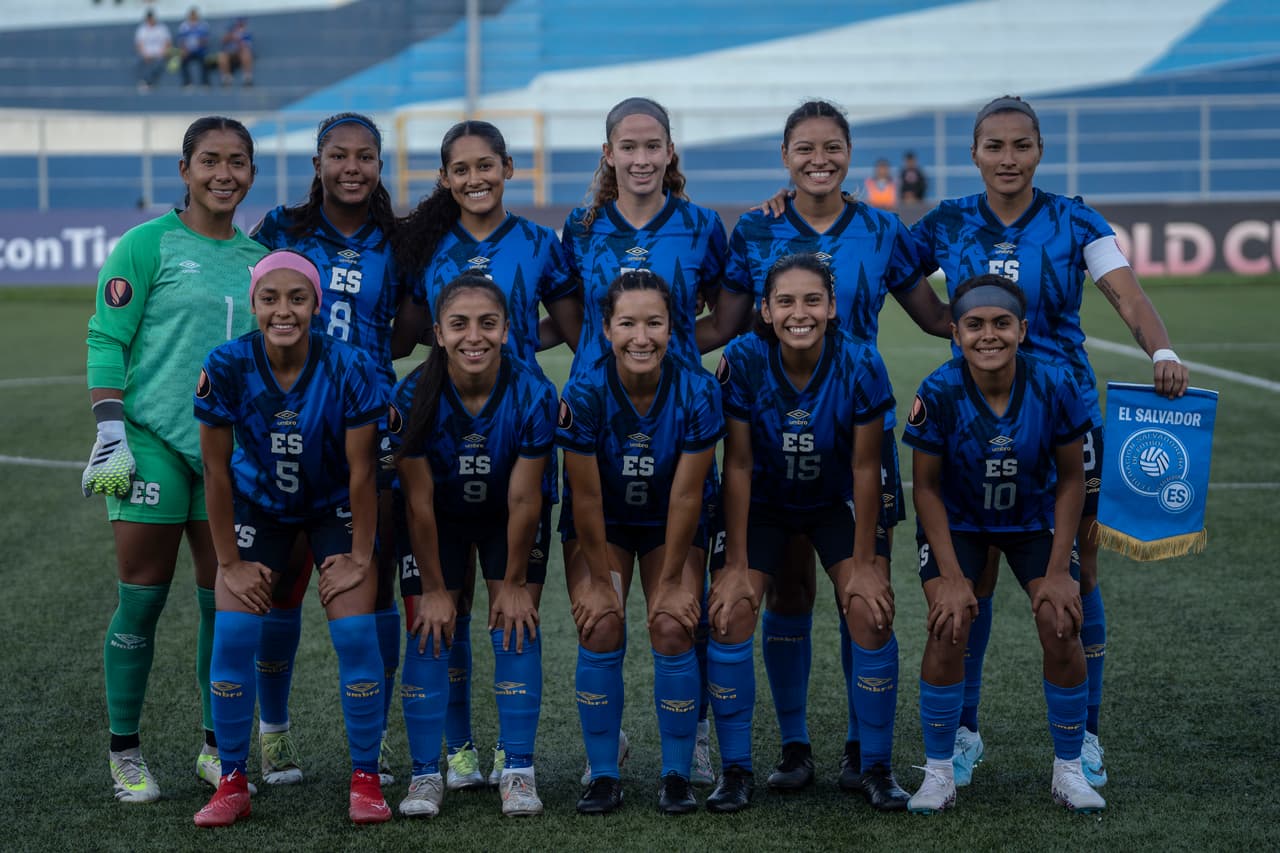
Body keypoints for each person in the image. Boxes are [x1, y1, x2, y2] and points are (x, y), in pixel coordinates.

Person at [909, 95, 1190, 790]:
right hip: (971, 418)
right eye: (994, 146)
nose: (1008, 158)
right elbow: (889, 266)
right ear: (974, 154)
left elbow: (1126, 294)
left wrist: (1161, 350)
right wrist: (944, 321)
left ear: (1039, 151)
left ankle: (1084, 736)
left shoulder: (1075, 219)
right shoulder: (947, 221)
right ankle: (963, 732)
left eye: (1021, 145)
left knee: (1078, 573)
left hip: (1063, 419)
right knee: (970, 577)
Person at [734, 99, 949, 799]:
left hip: (857, 430)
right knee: (789, 589)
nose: (818, 160)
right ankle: (795, 747)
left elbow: (935, 316)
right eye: (804, 148)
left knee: (866, 594)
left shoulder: (882, 229)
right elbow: (726, 322)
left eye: (831, 147)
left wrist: (1009, 325)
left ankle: (866, 753)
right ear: (785, 156)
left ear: (849, 154)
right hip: (775, 433)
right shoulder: (757, 228)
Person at [82, 115, 266, 804]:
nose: (224, 173)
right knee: (142, 598)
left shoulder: (260, 260)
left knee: (227, 603)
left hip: (228, 457)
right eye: (210, 160)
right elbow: (107, 337)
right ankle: (125, 752)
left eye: (237, 161)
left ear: (251, 173)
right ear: (184, 170)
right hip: (154, 443)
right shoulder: (146, 244)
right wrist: (111, 431)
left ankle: (218, 749)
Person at [394, 120, 581, 792]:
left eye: (486, 165)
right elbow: (405, 335)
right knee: (445, 611)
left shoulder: (538, 242)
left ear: (507, 168)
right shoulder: (425, 244)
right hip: (446, 424)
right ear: (445, 178)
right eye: (462, 169)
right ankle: (459, 753)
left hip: (517, 430)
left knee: (513, 606)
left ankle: (513, 756)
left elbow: (575, 327)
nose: (476, 178)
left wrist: (521, 344)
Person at [560, 96, 737, 786]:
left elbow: (727, 312)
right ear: (608, 154)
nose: (640, 158)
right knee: (599, 611)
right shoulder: (580, 227)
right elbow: (572, 318)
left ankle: (694, 734)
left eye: (651, 145)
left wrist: (681, 352)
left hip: (677, 420)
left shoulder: (700, 225)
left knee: (680, 609)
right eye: (627, 147)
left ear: (670, 152)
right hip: (599, 424)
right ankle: (606, 747)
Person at [192, 249, 390, 826]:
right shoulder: (226, 364)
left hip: (333, 505)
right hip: (260, 505)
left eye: (297, 298)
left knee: (355, 633)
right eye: (270, 299)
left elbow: (363, 472)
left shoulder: (349, 364)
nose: (284, 311)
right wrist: (229, 563)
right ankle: (232, 781)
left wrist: (359, 556)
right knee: (233, 633)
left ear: (315, 305)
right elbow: (216, 472)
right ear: (253, 304)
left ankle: (366, 779)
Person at [250, 112, 411, 789]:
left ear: (379, 165)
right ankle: (274, 734)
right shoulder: (281, 229)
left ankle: (372, 744)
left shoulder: (400, 239)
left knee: (373, 579)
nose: (352, 167)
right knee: (283, 578)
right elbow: (252, 307)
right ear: (317, 163)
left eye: (365, 156)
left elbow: (410, 328)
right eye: (339, 155)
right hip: (287, 423)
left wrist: (360, 370)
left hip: (370, 423)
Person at [902, 273, 1103, 814]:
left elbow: (1072, 479)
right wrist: (950, 577)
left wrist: (1059, 571)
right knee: (949, 623)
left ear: (1023, 329)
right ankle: (939, 772)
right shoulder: (939, 390)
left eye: (1001, 323)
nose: (988, 335)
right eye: (974, 325)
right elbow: (926, 488)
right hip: (961, 523)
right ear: (955, 332)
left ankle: (1069, 770)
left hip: (1033, 520)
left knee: (1061, 620)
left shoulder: (1055, 383)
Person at [709, 253, 902, 814]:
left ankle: (874, 764)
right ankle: (746, 765)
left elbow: (866, 467)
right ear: (766, 310)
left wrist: (863, 563)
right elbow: (737, 464)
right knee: (732, 611)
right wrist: (736, 564)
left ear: (832, 307)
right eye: (786, 302)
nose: (800, 313)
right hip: (765, 500)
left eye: (813, 300)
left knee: (868, 610)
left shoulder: (861, 361)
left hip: (837, 499)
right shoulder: (743, 358)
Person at [386, 273, 557, 818]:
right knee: (432, 626)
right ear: (438, 333)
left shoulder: (533, 392)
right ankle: (431, 771)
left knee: (516, 622)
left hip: (509, 515)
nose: (474, 336)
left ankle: (519, 769)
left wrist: (513, 582)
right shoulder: (412, 394)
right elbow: (417, 502)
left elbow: (526, 499)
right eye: (459, 324)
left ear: (506, 329)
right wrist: (436, 589)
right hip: (440, 518)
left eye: (487, 323)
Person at [558, 270, 722, 815]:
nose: (641, 337)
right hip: (602, 523)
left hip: (666, 521)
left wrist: (672, 581)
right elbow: (585, 500)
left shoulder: (698, 390)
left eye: (654, 323)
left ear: (673, 328)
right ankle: (604, 770)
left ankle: (677, 771)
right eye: (627, 324)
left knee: (673, 623)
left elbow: (687, 496)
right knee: (601, 622)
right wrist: (599, 581)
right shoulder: (583, 392)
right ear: (606, 329)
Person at [133, 9, 170, 92]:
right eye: (149, 18)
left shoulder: (162, 28)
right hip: (146, 55)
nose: (150, 20)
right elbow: (138, 44)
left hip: (159, 54)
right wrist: (144, 54)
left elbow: (167, 42)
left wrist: (162, 52)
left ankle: (148, 82)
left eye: (151, 18)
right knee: (138, 61)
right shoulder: (142, 29)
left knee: (158, 63)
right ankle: (146, 82)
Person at [176, 6, 210, 89]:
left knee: (205, 61)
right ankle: (187, 83)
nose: (193, 16)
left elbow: (205, 40)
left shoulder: (203, 25)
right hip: (188, 51)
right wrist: (185, 50)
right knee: (183, 60)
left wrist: (196, 47)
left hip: (200, 51)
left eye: (194, 15)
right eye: (192, 15)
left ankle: (205, 83)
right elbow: (181, 41)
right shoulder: (184, 26)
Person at [216, 17, 253, 87]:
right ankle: (226, 79)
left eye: (242, 25)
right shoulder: (230, 33)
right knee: (221, 56)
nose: (240, 27)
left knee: (246, 53)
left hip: (240, 54)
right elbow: (223, 42)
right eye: (239, 25)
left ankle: (247, 78)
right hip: (229, 54)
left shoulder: (247, 34)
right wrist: (230, 36)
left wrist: (238, 40)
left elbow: (247, 46)